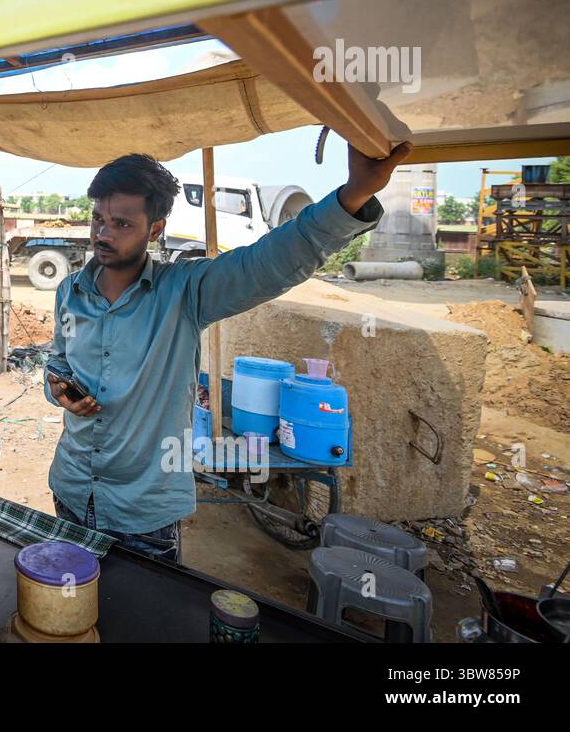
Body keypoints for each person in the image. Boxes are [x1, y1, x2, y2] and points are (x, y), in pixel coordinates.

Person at [43, 143, 412, 565]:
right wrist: (57, 388)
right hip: (70, 491)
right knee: (68, 617)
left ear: (156, 229)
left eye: (121, 223)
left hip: (143, 512)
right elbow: (57, 359)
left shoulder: (186, 292)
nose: (103, 234)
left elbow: (265, 263)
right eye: (98, 219)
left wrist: (352, 196)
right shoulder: (69, 292)